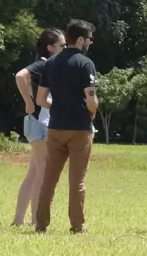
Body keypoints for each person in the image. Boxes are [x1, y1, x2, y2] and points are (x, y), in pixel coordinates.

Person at [34, 19, 100, 234]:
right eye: (89, 39)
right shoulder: (85, 63)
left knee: (49, 178)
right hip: (79, 128)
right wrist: (91, 112)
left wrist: (59, 105)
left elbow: (41, 99)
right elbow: (91, 99)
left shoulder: (50, 63)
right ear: (80, 39)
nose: (90, 43)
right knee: (77, 180)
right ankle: (77, 225)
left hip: (55, 127)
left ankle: (41, 223)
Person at [12, 27, 64, 226]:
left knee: (33, 173)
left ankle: (19, 219)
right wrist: (29, 102)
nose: (64, 49)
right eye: (62, 45)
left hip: (36, 123)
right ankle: (35, 220)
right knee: (42, 174)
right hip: (40, 123)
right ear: (50, 47)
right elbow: (20, 76)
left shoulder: (47, 66)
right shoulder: (44, 65)